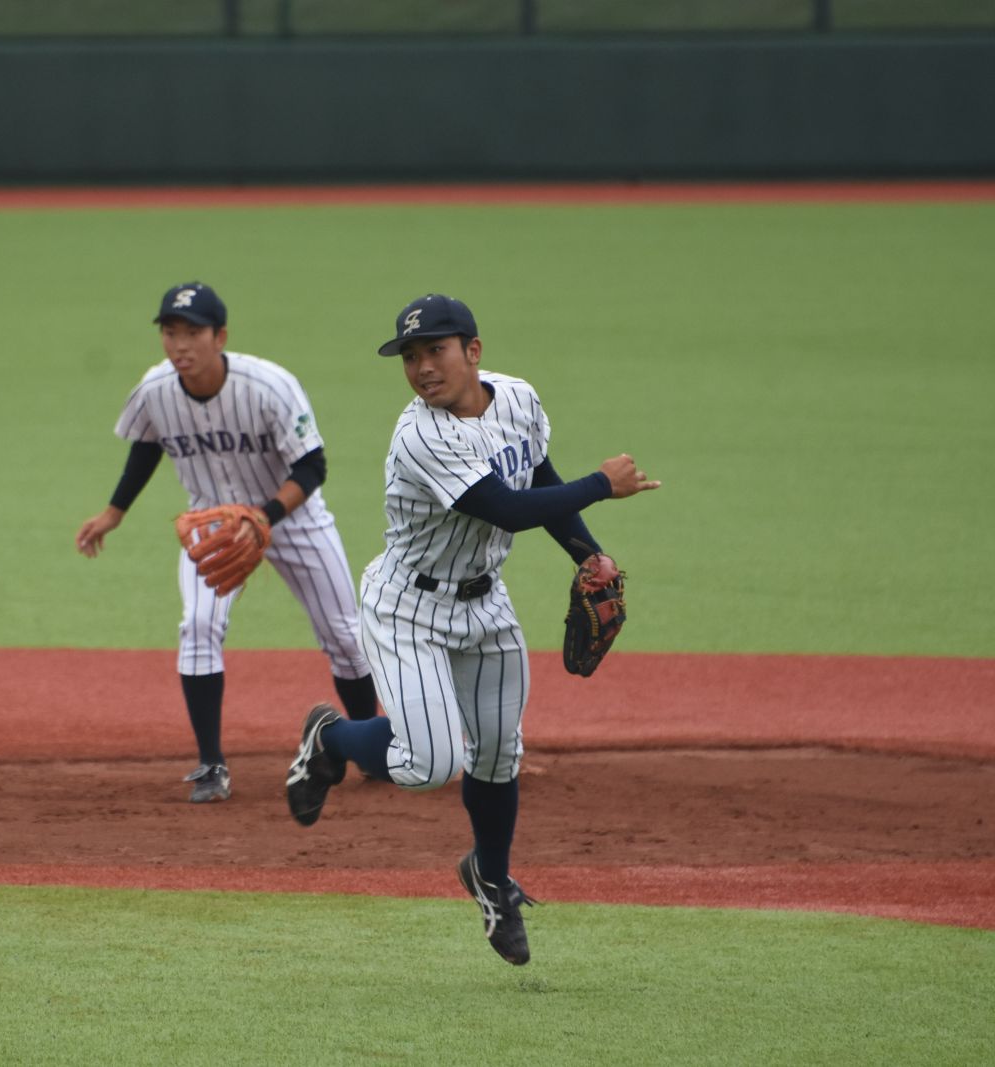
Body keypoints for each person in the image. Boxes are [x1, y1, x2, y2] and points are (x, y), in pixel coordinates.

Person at [285, 293, 660, 964]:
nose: (423, 367)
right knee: (427, 764)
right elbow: (507, 508)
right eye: (410, 357)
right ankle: (331, 737)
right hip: (408, 607)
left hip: (486, 605)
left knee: (496, 754)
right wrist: (601, 483)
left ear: (473, 351)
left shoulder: (517, 398)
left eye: (436, 350)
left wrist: (588, 554)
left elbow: (536, 474)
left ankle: (490, 876)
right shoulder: (422, 434)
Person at [77, 281, 380, 803]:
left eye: (192, 333)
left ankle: (372, 749)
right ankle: (210, 764)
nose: (180, 345)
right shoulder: (155, 389)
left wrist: (263, 517)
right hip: (212, 524)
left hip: (293, 519)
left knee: (345, 637)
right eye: (170, 332)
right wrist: (113, 512)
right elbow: (146, 446)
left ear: (220, 337)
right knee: (198, 626)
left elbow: (312, 466)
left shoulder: (269, 386)